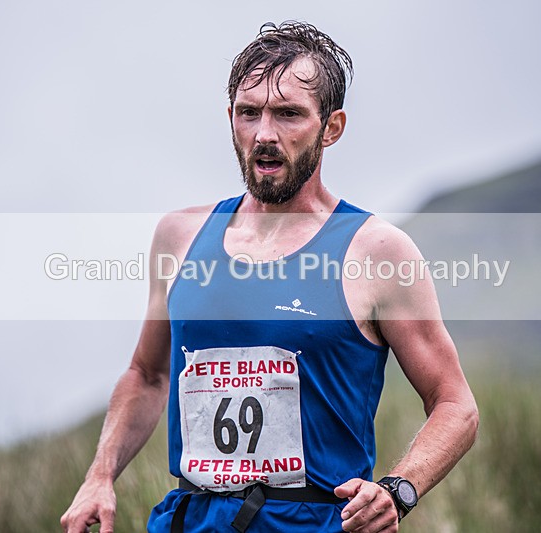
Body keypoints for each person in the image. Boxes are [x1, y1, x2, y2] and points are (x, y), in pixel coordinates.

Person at [61, 21, 478, 533]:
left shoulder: (377, 252)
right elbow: (148, 376)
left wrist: (397, 490)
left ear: (331, 127)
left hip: (315, 522)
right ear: (230, 119)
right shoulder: (179, 236)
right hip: (192, 519)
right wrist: (99, 476)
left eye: (288, 114)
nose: (264, 134)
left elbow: (456, 405)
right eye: (248, 112)